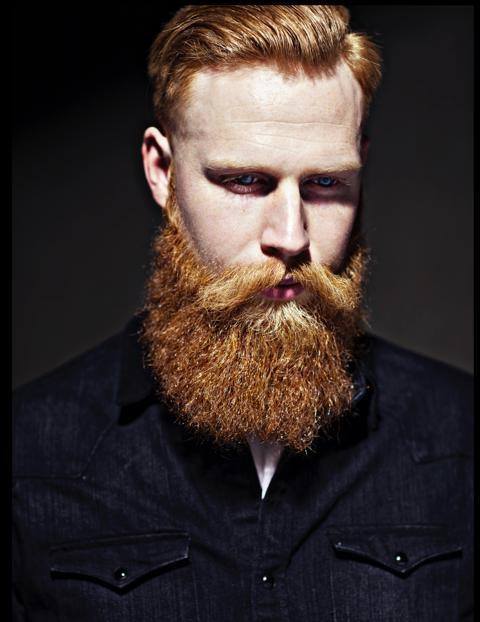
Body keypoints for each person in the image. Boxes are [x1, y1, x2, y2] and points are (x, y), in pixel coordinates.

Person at [12, 5, 473, 621]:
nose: (291, 237)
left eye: (326, 183)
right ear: (163, 171)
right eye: (245, 182)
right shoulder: (27, 456)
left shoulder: (462, 439)